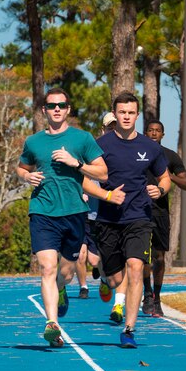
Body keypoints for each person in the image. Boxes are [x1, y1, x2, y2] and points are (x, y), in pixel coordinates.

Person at [16, 88, 110, 347]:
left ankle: (61, 288)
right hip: (42, 211)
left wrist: (76, 163)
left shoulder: (82, 139)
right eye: (51, 105)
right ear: (44, 110)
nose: (57, 109)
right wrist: (27, 177)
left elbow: (102, 174)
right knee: (47, 267)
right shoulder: (33, 142)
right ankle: (52, 325)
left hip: (74, 213)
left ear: (68, 109)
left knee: (66, 273)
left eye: (62, 105)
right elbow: (21, 167)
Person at [94, 92, 171, 348]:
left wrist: (158, 190)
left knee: (136, 267)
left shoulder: (150, 147)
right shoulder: (100, 146)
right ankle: (107, 280)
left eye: (131, 113)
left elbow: (165, 179)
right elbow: (83, 176)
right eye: (122, 112)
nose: (126, 117)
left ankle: (129, 329)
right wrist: (105, 194)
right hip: (108, 219)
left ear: (137, 116)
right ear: (114, 115)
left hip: (139, 217)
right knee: (117, 280)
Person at [141, 119, 186, 316]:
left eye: (158, 131)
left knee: (159, 258)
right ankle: (147, 294)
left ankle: (157, 297)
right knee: (144, 256)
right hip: (141, 211)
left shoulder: (170, 156)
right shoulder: (139, 154)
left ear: (162, 135)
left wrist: (168, 176)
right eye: (151, 130)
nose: (154, 133)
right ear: (145, 133)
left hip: (161, 212)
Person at [75, 113, 118, 299]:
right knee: (83, 255)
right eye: (109, 127)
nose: (112, 131)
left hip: (107, 212)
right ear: (102, 129)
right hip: (86, 211)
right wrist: (81, 190)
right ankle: (83, 287)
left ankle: (103, 278)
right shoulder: (90, 150)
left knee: (96, 258)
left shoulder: (121, 152)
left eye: (115, 127)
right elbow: (79, 172)